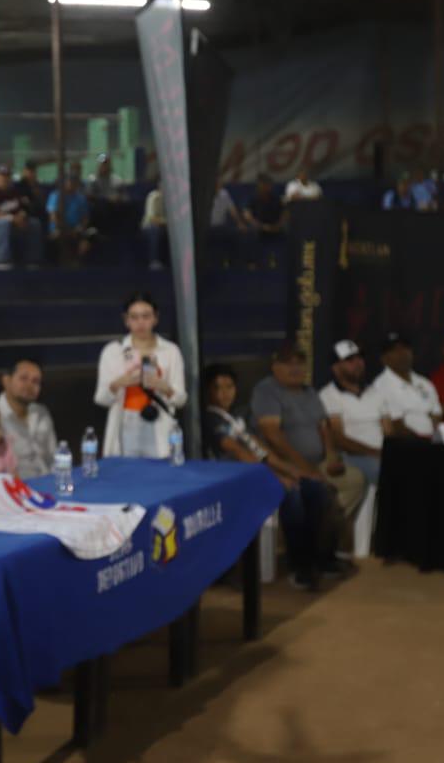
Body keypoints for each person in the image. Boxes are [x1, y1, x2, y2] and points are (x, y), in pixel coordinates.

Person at [203, 364, 336, 589]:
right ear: (207, 391)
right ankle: (299, 568)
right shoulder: (210, 418)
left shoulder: (236, 416)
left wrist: (296, 470)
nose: (225, 392)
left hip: (255, 473)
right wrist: (275, 476)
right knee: (290, 493)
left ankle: (314, 558)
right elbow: (240, 452)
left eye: (229, 386)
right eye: (217, 388)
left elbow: (261, 451)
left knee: (314, 488)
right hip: (232, 479)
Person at [251, 343, 365, 540]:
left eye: (300, 363)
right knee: (315, 491)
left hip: (317, 463)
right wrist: (305, 467)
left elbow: (324, 427)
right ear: (275, 366)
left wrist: (331, 457)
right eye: (288, 363)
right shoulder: (267, 391)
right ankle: (318, 539)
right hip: (285, 467)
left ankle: (322, 532)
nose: (295, 368)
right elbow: (272, 435)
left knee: (355, 480)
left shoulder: (310, 392)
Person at [94, 292, 186, 459]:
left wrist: (162, 386)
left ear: (155, 318)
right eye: (134, 317)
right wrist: (120, 382)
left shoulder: (170, 351)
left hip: (159, 425)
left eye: (146, 316)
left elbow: (181, 399)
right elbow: (101, 398)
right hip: (125, 426)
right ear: (126, 320)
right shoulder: (114, 351)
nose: (140, 322)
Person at [317, 340, 398, 489]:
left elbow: (389, 431)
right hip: (351, 456)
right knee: (383, 470)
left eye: (359, 357)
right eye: (349, 360)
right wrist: (375, 453)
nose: (357, 363)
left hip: (382, 454)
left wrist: (390, 452)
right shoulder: (328, 395)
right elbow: (338, 439)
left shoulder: (376, 392)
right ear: (335, 367)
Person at [368, 332, 442, 438]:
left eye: (405, 348)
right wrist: (423, 444)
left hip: (432, 442)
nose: (402, 353)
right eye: (395, 350)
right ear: (384, 359)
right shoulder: (380, 386)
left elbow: (436, 414)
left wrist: (436, 439)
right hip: (404, 446)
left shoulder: (424, 382)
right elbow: (395, 426)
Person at [0, 165, 44, 270]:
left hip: (14, 223)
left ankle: (33, 261)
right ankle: (2, 261)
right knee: (3, 224)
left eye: (7, 176)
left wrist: (22, 216)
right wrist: (11, 218)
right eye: (2, 176)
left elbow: (22, 208)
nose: (4, 178)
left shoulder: (14, 192)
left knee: (34, 223)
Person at [0, 359, 57, 477]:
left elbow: (52, 457)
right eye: (23, 378)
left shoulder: (41, 412)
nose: (29, 385)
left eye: (36, 381)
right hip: (12, 486)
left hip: (46, 482)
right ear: (6, 381)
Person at [46, 172, 93, 264]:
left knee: (87, 241)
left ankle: (77, 265)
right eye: (69, 181)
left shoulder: (81, 198)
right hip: (58, 230)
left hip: (76, 230)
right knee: (58, 239)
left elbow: (85, 218)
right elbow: (53, 217)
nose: (71, 184)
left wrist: (79, 228)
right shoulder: (55, 196)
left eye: (73, 181)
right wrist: (65, 229)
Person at [141, 179, 167, 270]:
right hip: (150, 227)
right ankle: (153, 260)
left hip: (165, 228)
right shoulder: (153, 197)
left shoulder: (174, 200)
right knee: (154, 229)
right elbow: (152, 219)